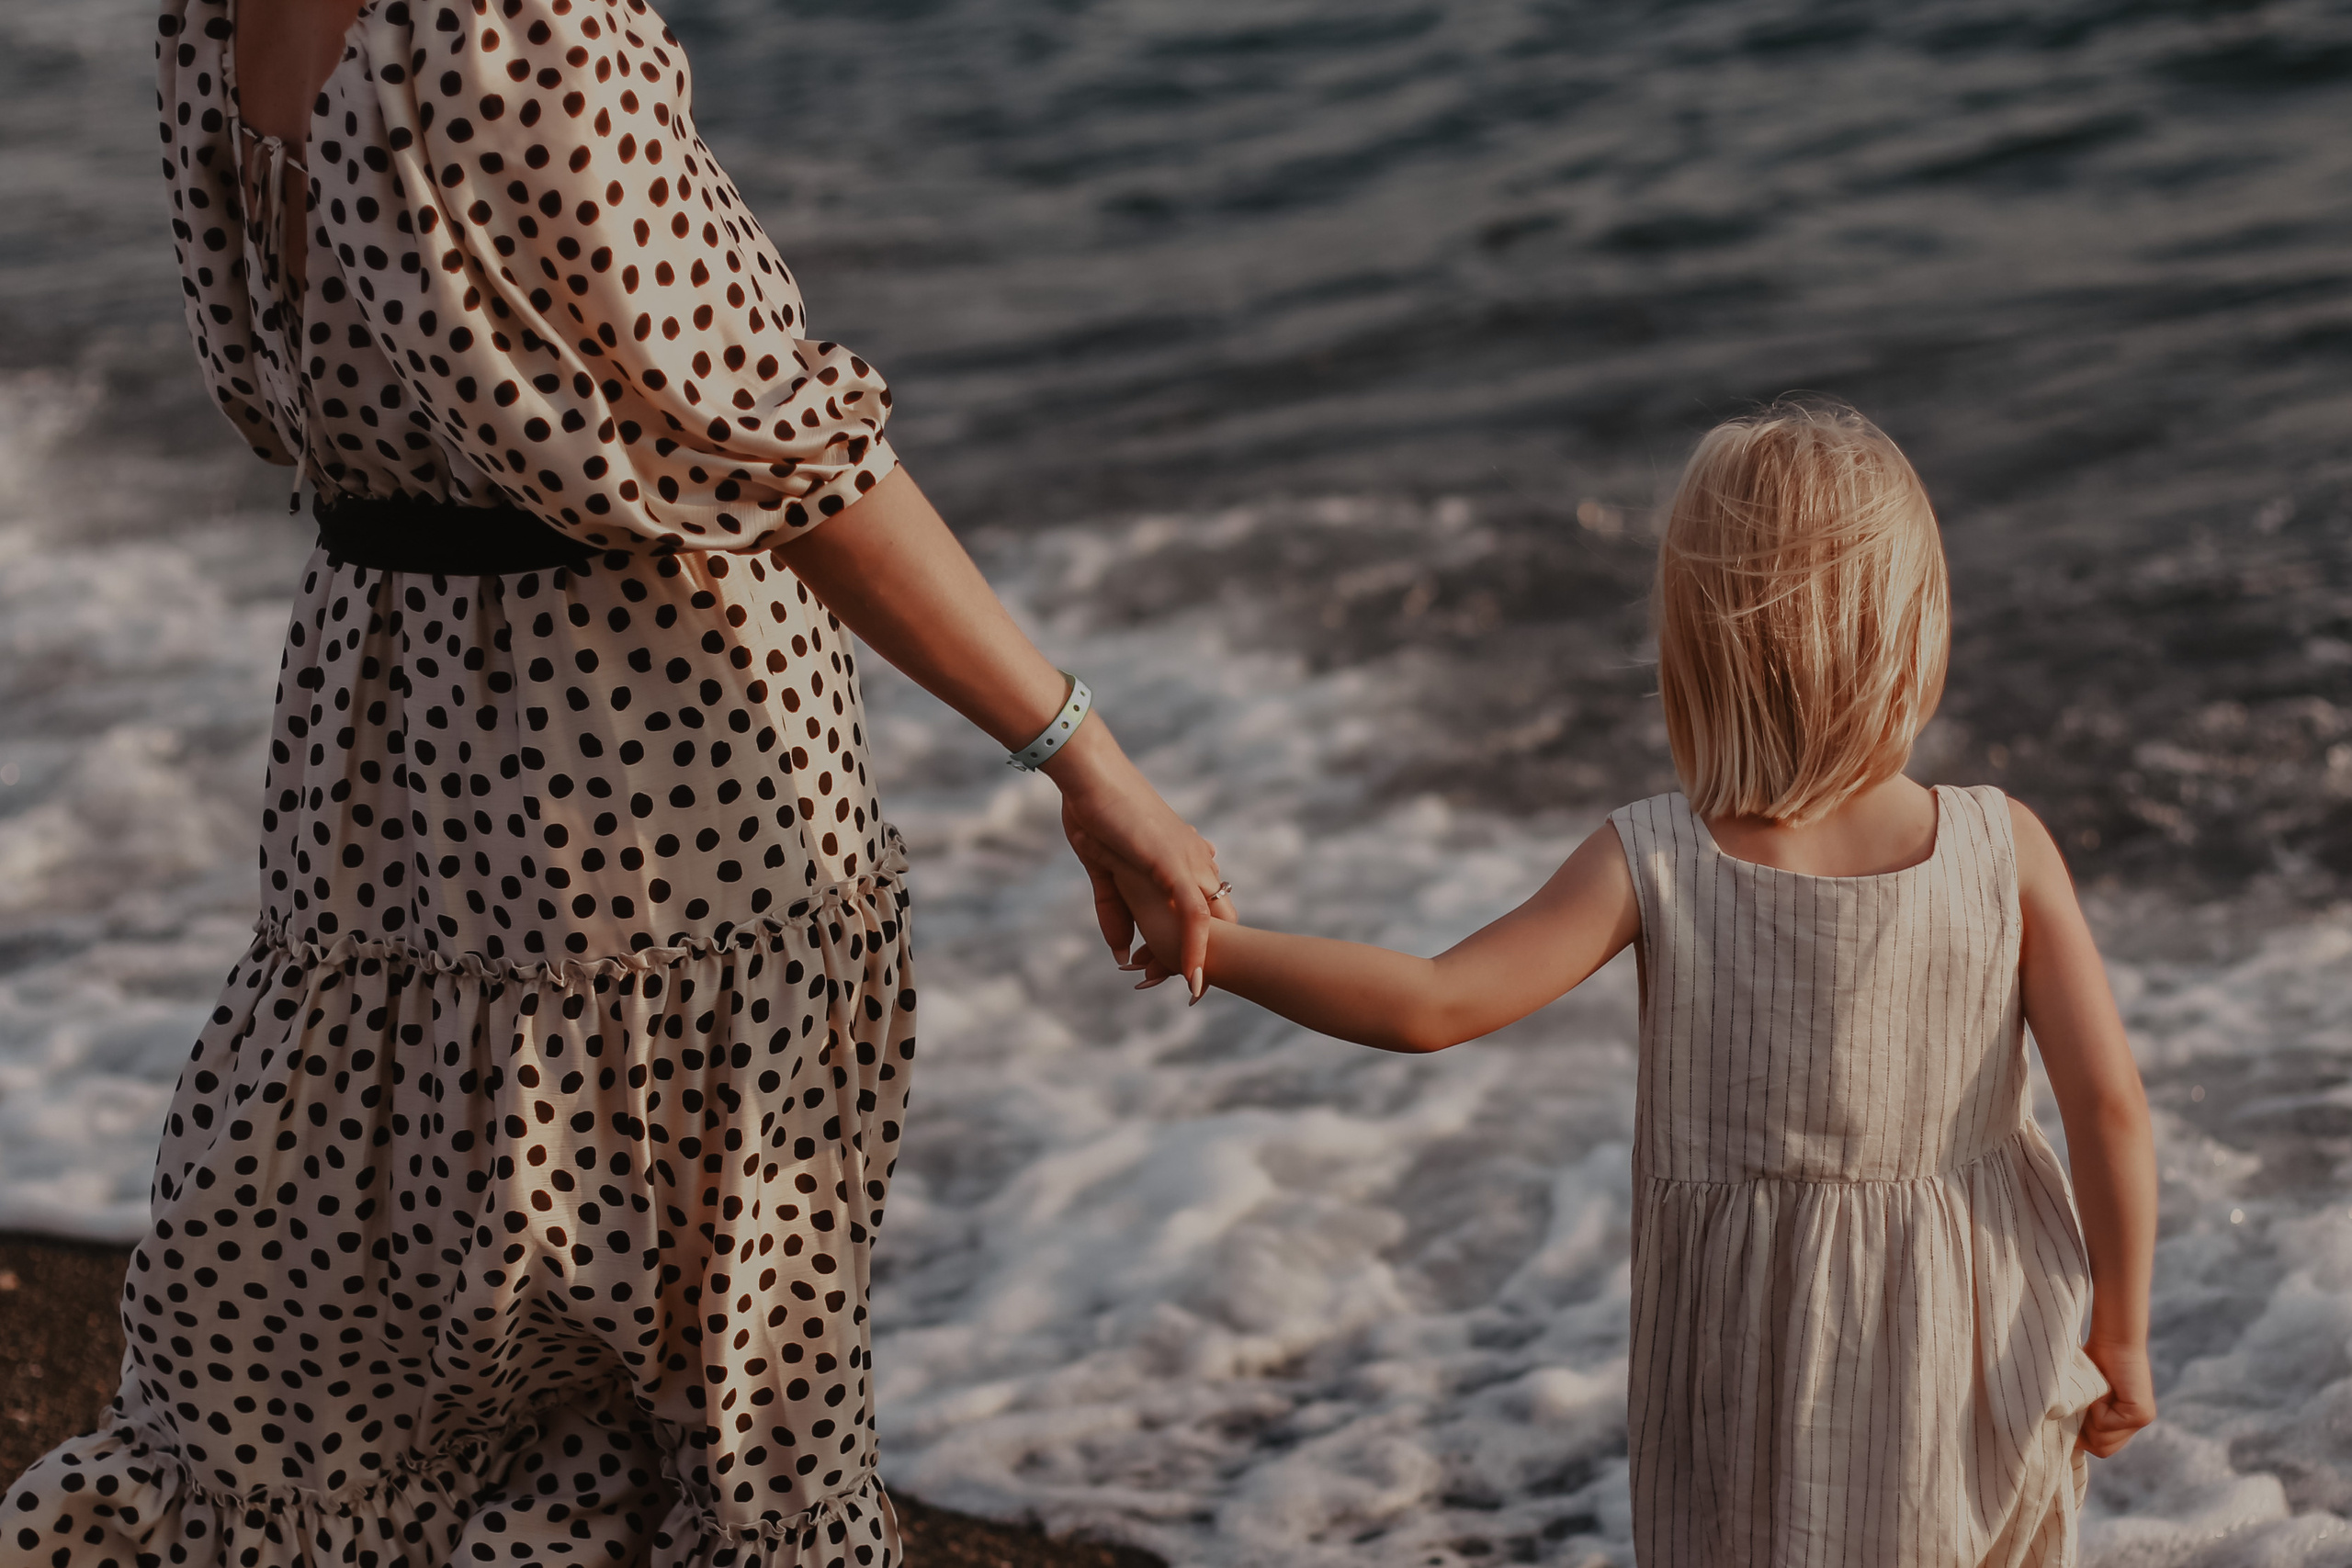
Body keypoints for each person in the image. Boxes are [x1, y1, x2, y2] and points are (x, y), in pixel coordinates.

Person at [6, 1, 1227, 1565]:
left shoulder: (210, 16)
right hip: (646, 766)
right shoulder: (513, 20)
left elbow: (280, 396)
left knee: (343, 1327)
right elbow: (773, 450)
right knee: (709, 1373)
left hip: (387, 725)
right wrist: (1082, 754)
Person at [1114, 400, 2159, 1565]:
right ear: (1913, 631)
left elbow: (1431, 1004)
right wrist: (2121, 1333)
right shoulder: (2000, 845)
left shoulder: (1656, 858)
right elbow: (2108, 1107)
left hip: (1759, 1379)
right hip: (1977, 1343)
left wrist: (1218, 943)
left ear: (1700, 646)